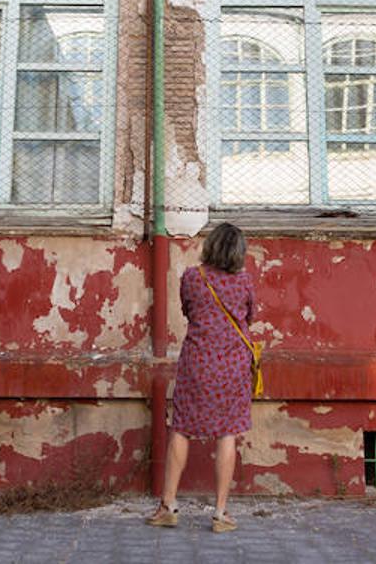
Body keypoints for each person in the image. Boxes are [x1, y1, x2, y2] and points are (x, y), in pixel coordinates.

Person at [147, 222, 256, 533]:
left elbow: (188, 311)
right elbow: (249, 316)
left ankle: (168, 506)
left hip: (197, 363)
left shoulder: (194, 278)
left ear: (211, 247)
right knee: (227, 433)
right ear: (238, 252)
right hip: (233, 366)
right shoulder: (244, 281)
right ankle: (220, 514)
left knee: (181, 428)